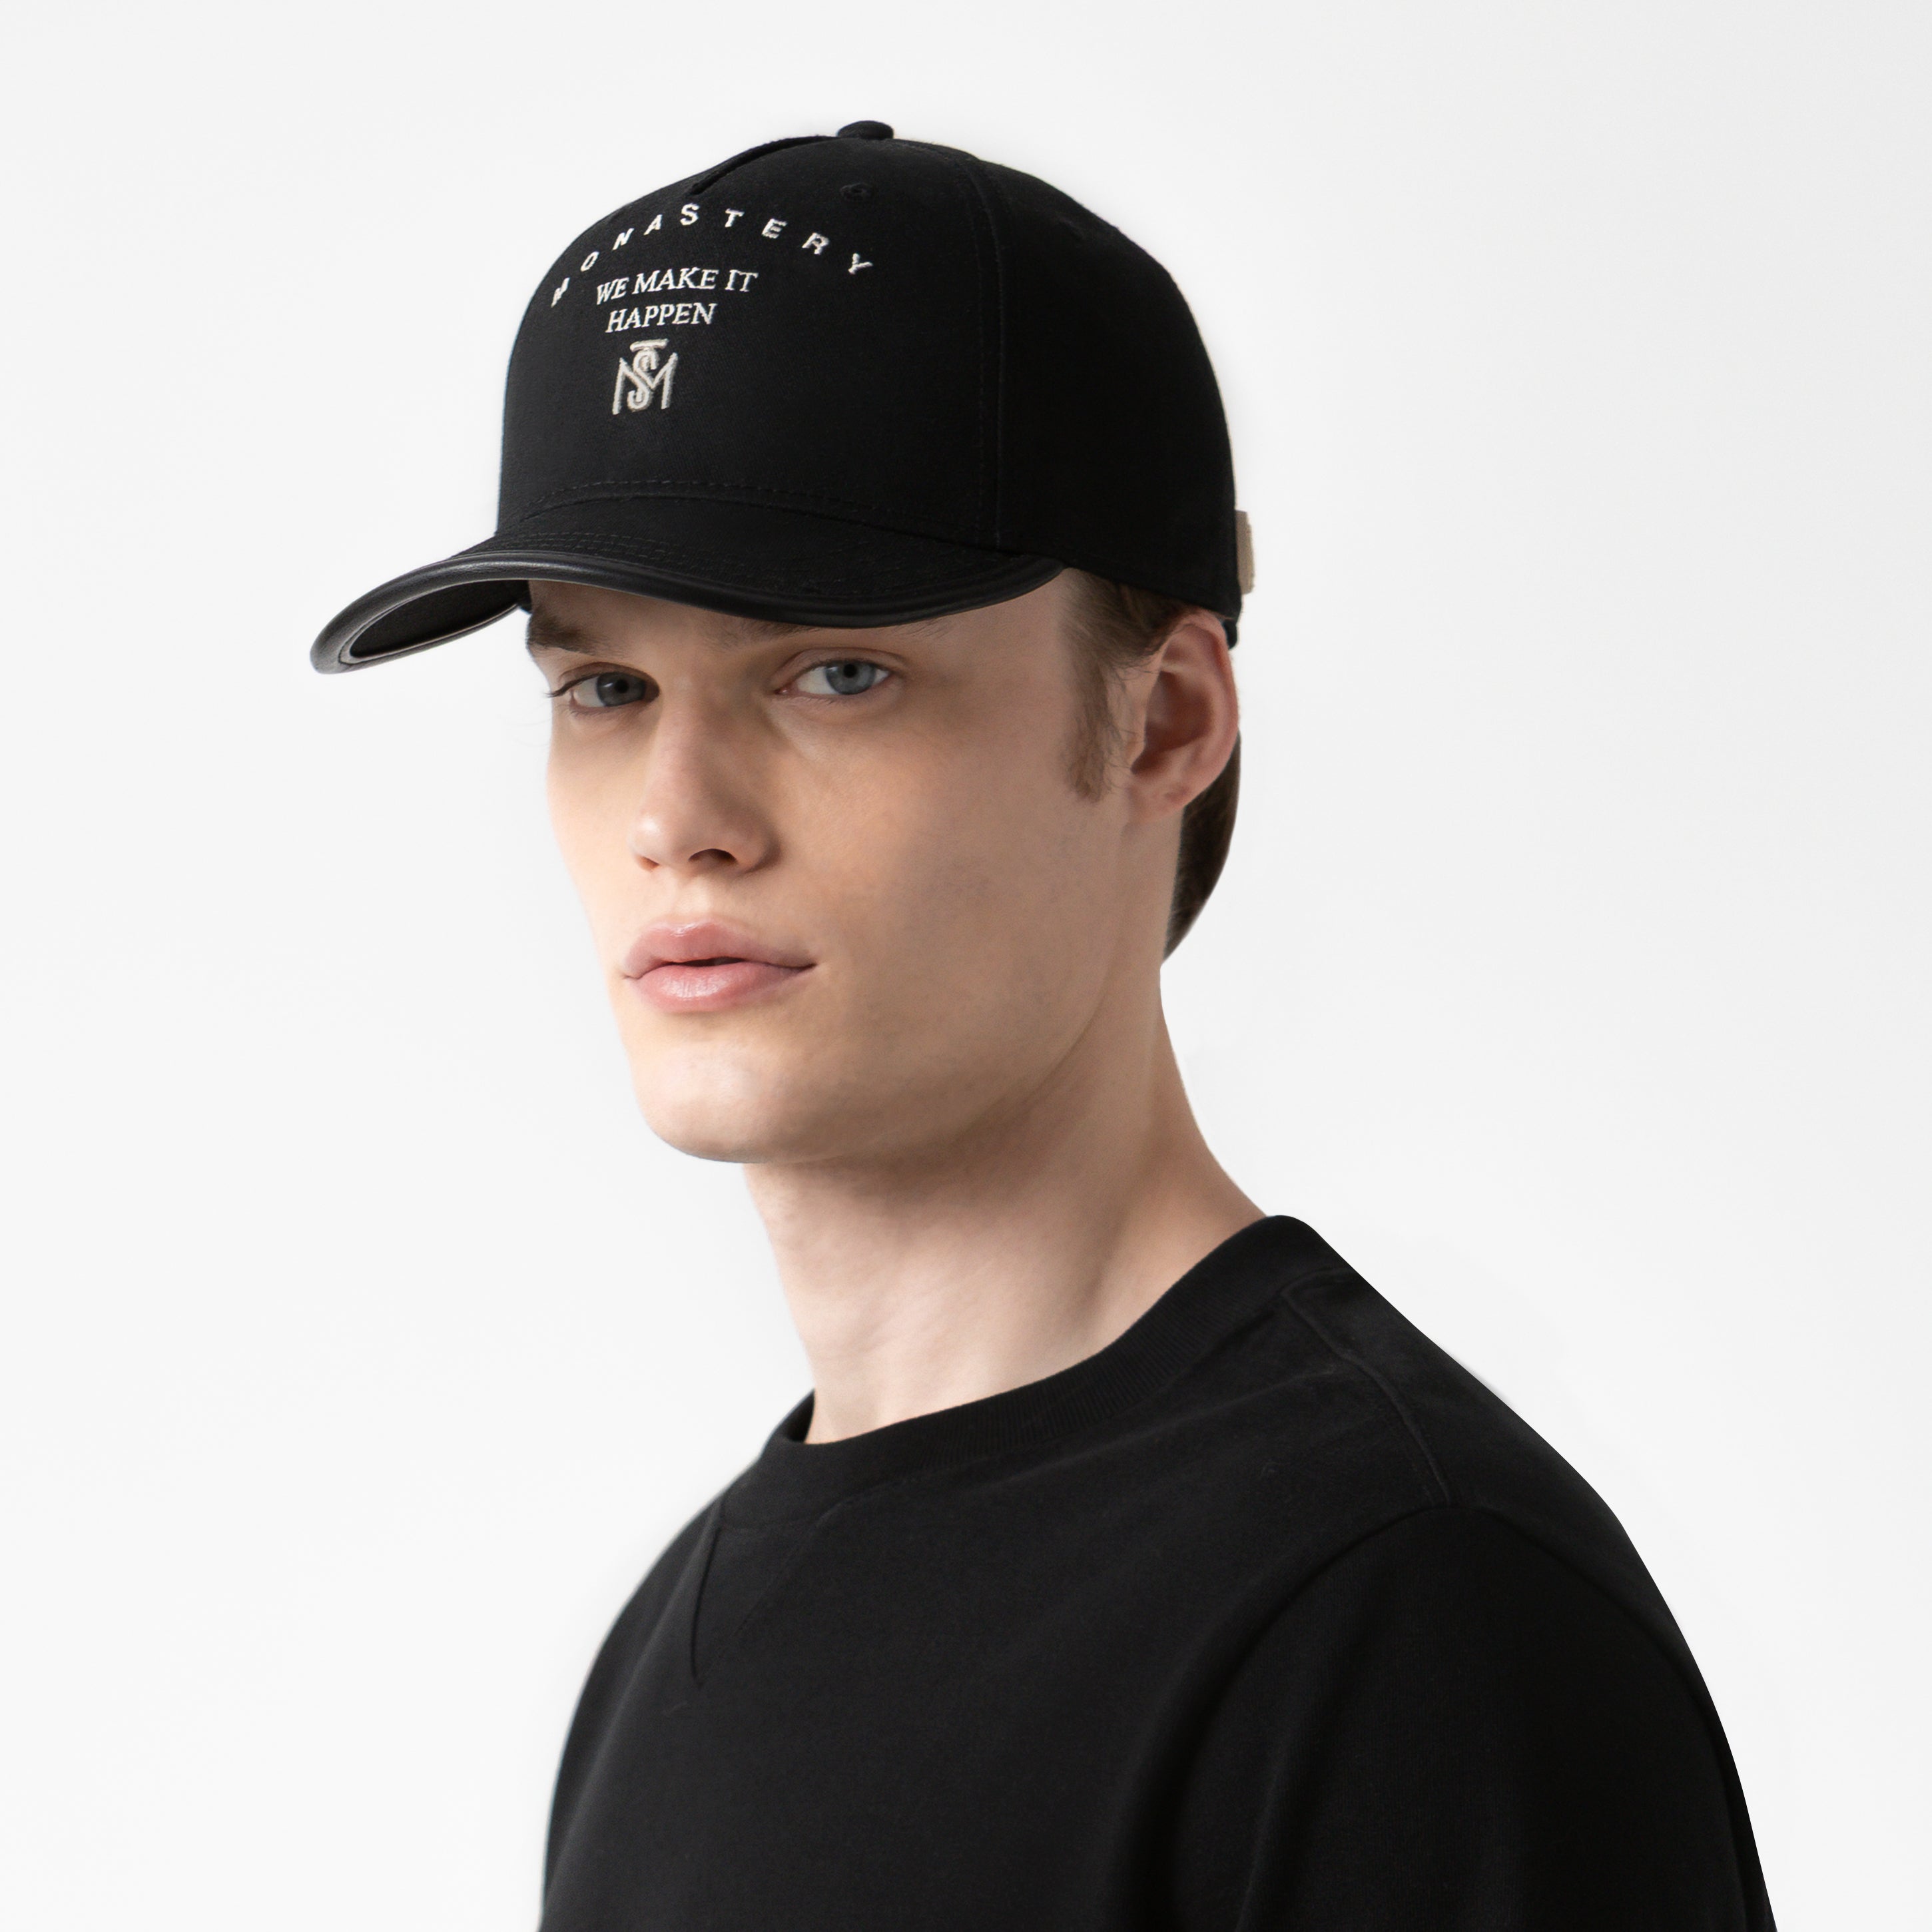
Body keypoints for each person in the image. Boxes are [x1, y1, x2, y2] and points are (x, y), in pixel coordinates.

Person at [313, 123, 1775, 1931]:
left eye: (836, 672)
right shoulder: (670, 1651)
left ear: (1164, 723)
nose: (677, 815)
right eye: (604, 686)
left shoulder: (1406, 1620)